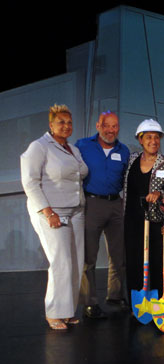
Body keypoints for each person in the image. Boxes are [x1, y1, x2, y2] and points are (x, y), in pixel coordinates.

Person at [21, 104, 88, 330]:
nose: (66, 126)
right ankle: (53, 312)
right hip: (53, 211)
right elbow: (30, 182)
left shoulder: (73, 149)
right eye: (61, 122)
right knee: (61, 261)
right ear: (51, 125)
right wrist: (47, 212)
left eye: (69, 122)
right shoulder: (39, 147)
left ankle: (67, 311)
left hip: (77, 209)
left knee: (77, 262)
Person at [76, 111, 130, 319]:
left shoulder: (123, 150)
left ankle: (115, 296)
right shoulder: (82, 145)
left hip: (116, 204)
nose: (110, 130)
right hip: (92, 204)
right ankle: (89, 302)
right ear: (98, 125)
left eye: (114, 126)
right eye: (106, 125)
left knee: (118, 255)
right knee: (88, 256)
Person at [123, 119, 164, 300]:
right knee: (134, 261)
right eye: (148, 137)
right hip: (132, 219)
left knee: (157, 262)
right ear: (140, 140)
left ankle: (158, 300)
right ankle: (136, 302)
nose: (153, 141)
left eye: (157, 137)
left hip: (155, 220)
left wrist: (160, 192)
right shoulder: (132, 159)